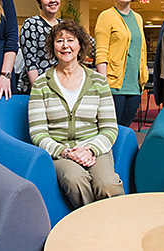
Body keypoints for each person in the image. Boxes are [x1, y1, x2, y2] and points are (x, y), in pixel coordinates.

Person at [28, 20, 124, 208]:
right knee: (74, 179)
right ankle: (90, 225)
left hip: (94, 147)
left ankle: (117, 225)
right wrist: (65, 152)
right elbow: (38, 133)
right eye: (59, 41)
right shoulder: (41, 84)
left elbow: (109, 127)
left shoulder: (98, 81)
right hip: (60, 151)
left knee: (108, 185)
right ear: (52, 47)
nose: (65, 45)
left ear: (80, 45)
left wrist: (89, 150)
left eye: (71, 40)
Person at [95, 0, 148, 127]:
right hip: (113, 85)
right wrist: (103, 83)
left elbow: (141, 50)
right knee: (111, 129)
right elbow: (101, 52)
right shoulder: (106, 16)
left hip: (135, 86)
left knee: (125, 128)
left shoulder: (138, 18)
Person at [18, 0, 62, 95]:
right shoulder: (31, 24)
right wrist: (39, 92)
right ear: (39, 2)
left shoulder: (63, 26)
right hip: (38, 87)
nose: (52, 0)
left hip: (59, 85)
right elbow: (30, 62)